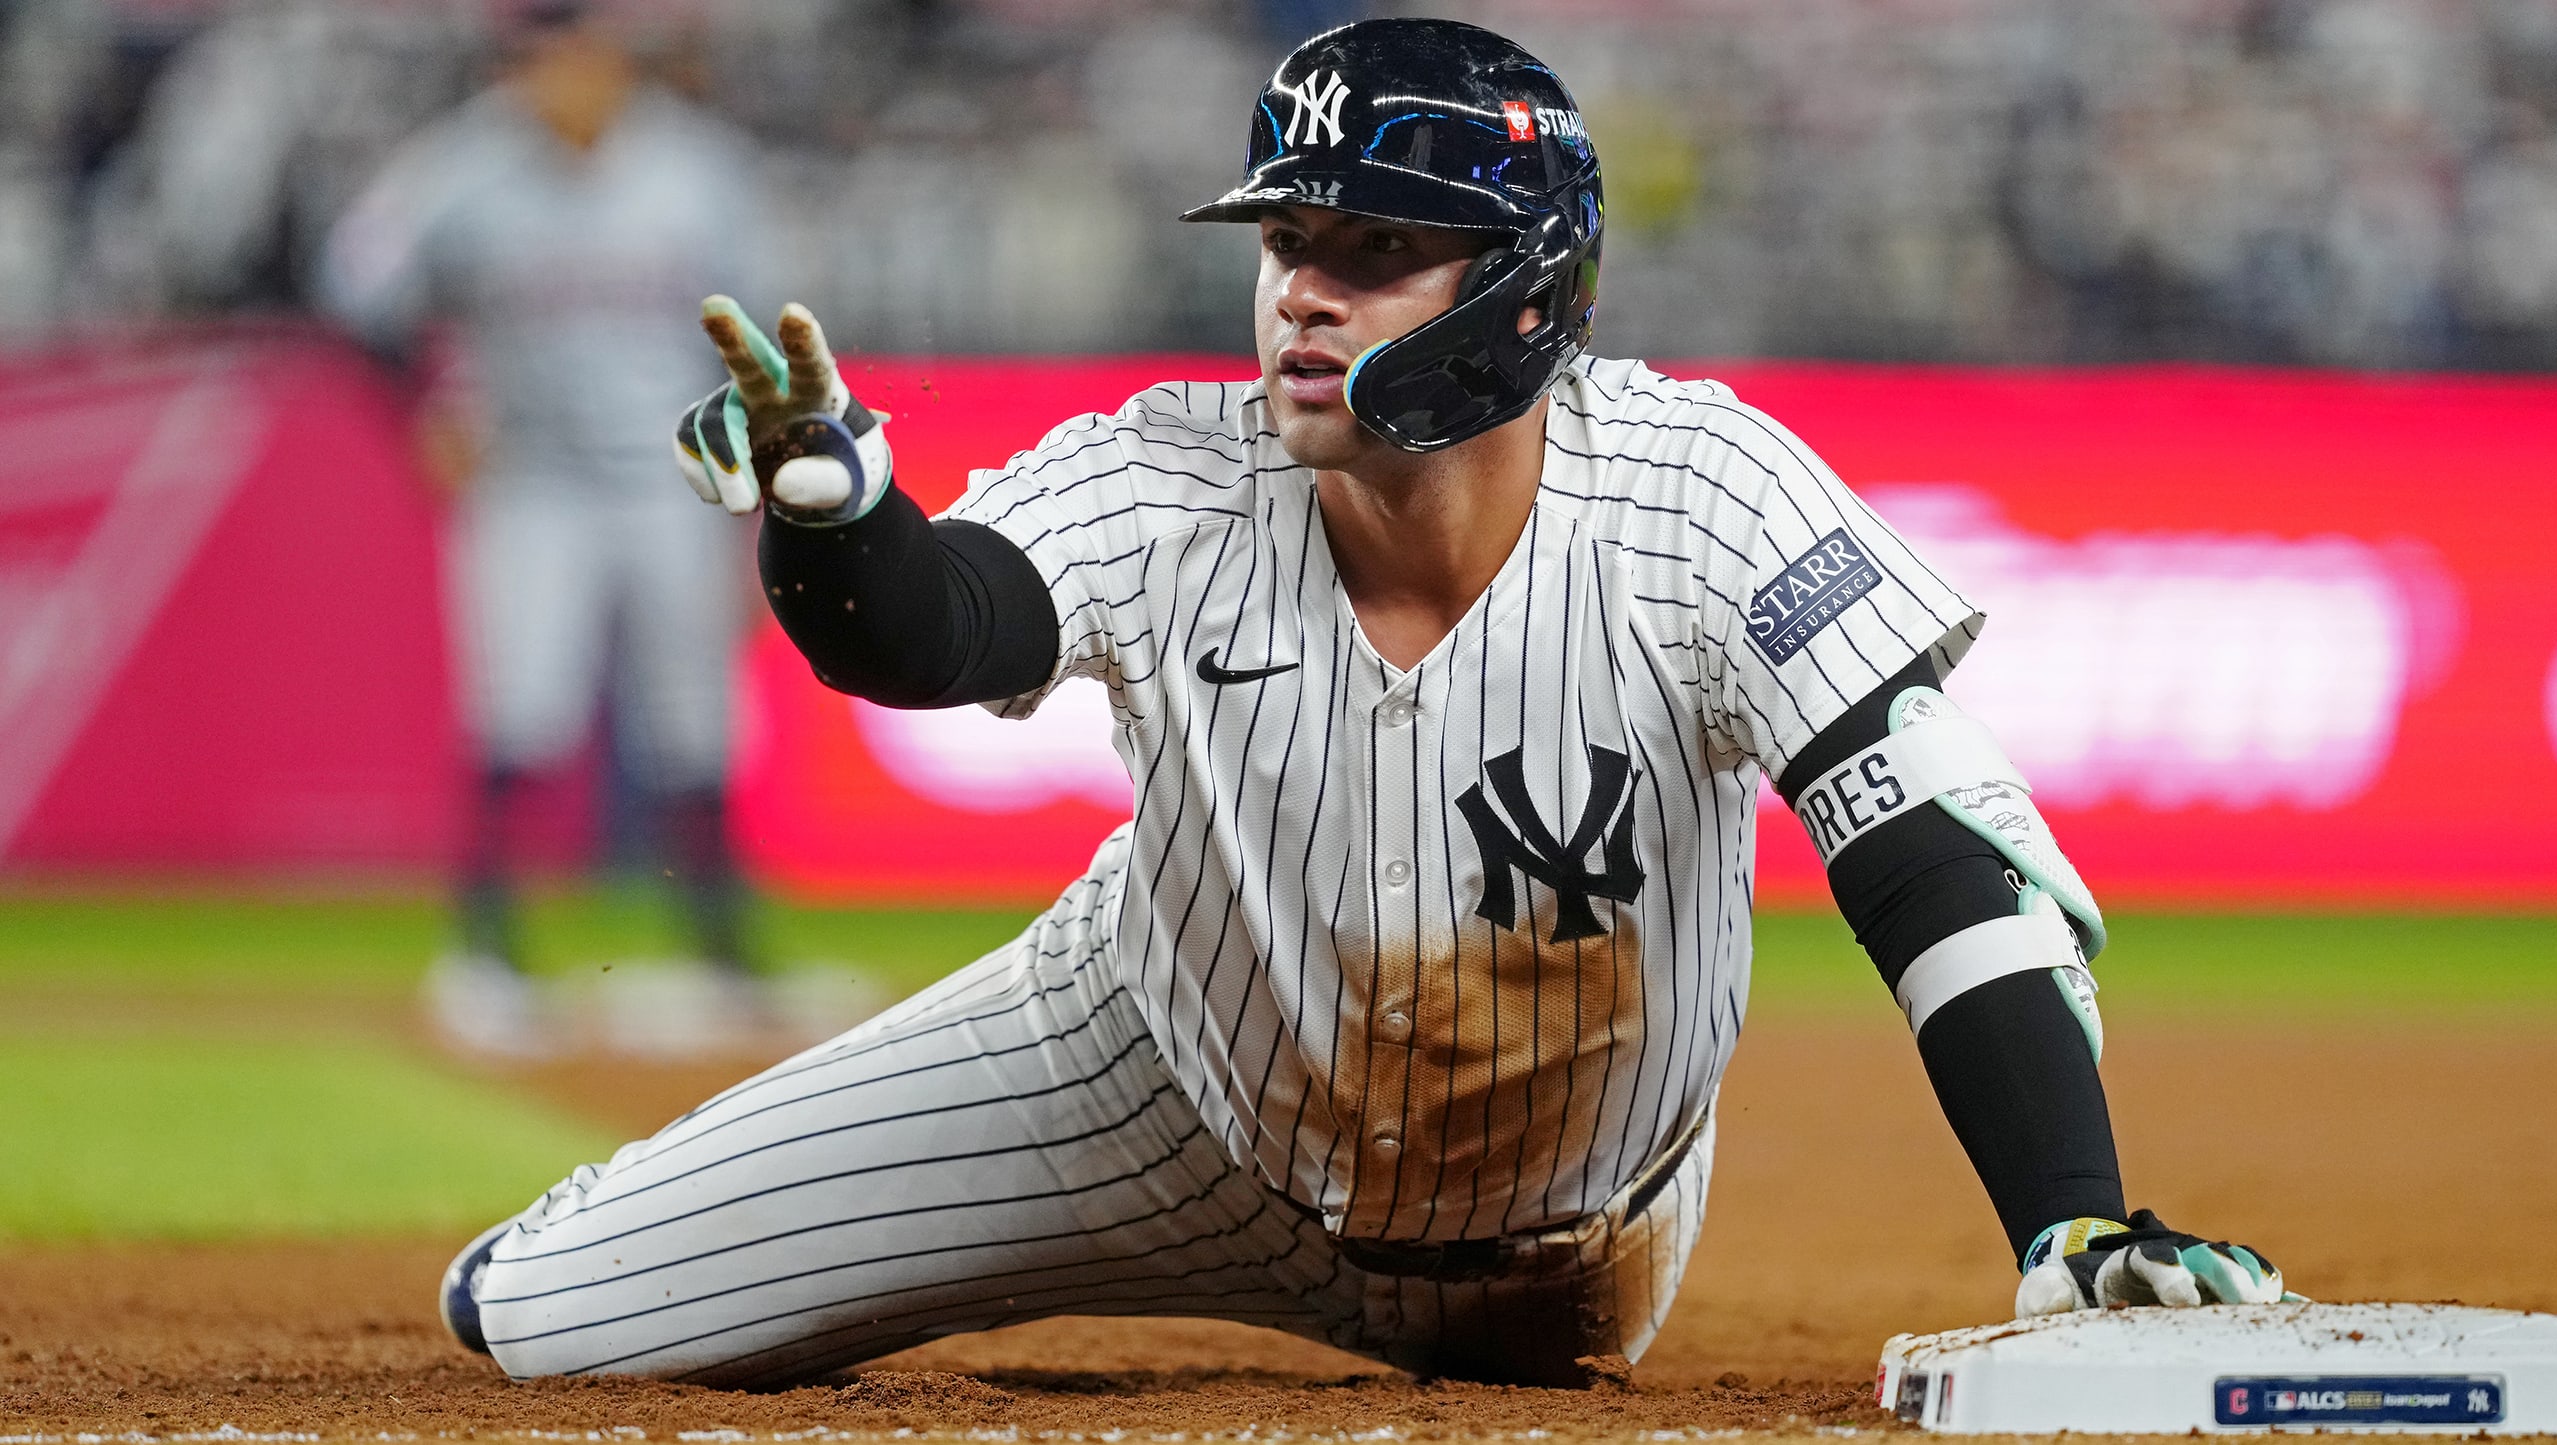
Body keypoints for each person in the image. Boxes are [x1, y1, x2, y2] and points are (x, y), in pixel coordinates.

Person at [436, 19, 2286, 1385]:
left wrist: (2071, 1217)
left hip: (1562, 1247)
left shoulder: (1702, 492)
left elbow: (1930, 848)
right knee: (533, 1322)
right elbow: (933, 630)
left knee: (1931, 804)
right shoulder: (1174, 472)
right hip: (1133, 1088)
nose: (1300, 298)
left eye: (1373, 253)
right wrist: (831, 515)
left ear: (1529, 291)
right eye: (1281, 246)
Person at [319, 2, 765, 1056]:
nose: (564, 79)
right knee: (520, 706)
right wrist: (424, 407)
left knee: (697, 713)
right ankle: (486, 947)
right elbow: (353, 287)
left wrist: (749, 503)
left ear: (617, 63)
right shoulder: (459, 169)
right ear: (520, 67)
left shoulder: (699, 169)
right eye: (542, 59)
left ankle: (724, 950)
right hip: (531, 482)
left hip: (673, 475)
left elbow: (763, 338)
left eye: (582, 57)